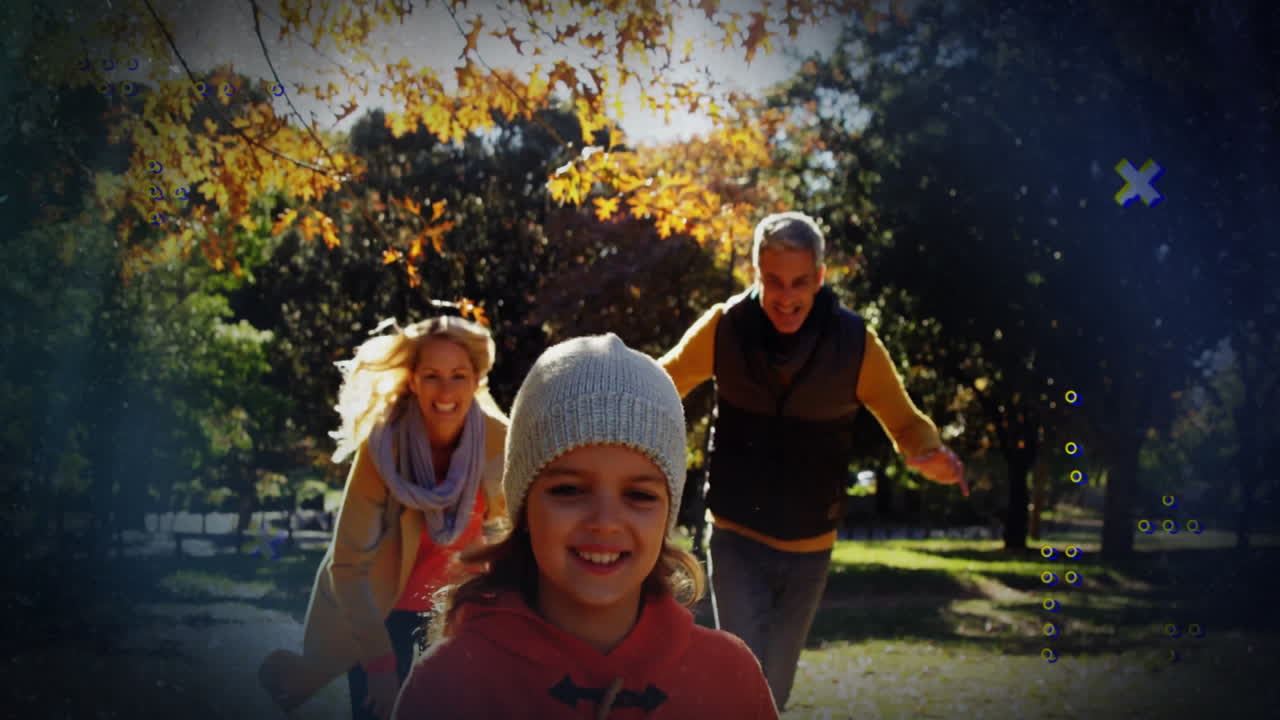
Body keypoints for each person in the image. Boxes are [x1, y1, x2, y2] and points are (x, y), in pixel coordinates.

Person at [657, 211, 969, 711]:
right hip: (737, 535)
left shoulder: (855, 343)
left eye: (799, 281)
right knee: (744, 678)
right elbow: (662, 379)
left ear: (820, 276)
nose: (786, 297)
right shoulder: (724, 327)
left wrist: (928, 454)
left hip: (810, 546)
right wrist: (607, 391)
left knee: (774, 690)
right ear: (757, 273)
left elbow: (905, 421)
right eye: (773, 281)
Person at [392, 334, 779, 719]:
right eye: (569, 490)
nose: (605, 522)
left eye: (639, 495)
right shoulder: (450, 686)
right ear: (524, 508)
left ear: (667, 514)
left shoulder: (729, 679)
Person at [258, 315, 509, 720]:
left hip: (458, 615)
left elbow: (515, 534)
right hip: (382, 617)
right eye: (432, 376)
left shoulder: (499, 440)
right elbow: (348, 566)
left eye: (459, 376)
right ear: (412, 381)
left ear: (477, 380)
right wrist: (379, 666)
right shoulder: (384, 446)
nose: (446, 391)